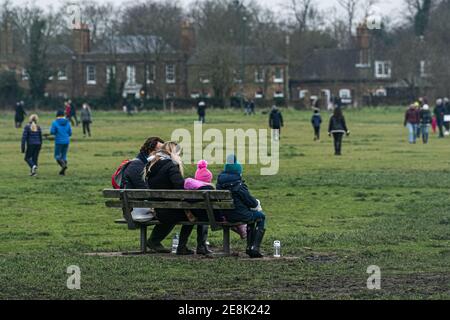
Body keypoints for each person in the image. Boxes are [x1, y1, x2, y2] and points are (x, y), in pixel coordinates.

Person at [144, 142, 210, 255]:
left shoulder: (151, 164)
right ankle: (188, 246)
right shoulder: (170, 166)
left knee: (186, 212)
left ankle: (154, 241)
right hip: (170, 210)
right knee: (197, 212)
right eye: (179, 153)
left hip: (159, 209)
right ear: (173, 153)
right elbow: (180, 187)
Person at [216, 155, 266, 258]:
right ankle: (253, 247)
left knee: (252, 216)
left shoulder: (219, 184)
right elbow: (252, 203)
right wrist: (257, 203)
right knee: (260, 216)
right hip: (240, 215)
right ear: (238, 172)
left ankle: (250, 248)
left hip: (225, 216)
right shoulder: (238, 185)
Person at [50, 110, 72, 176]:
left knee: (57, 156)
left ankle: (63, 165)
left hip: (59, 141)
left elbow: (52, 132)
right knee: (64, 156)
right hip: (66, 141)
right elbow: (70, 133)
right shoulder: (68, 122)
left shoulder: (55, 122)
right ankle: (62, 172)